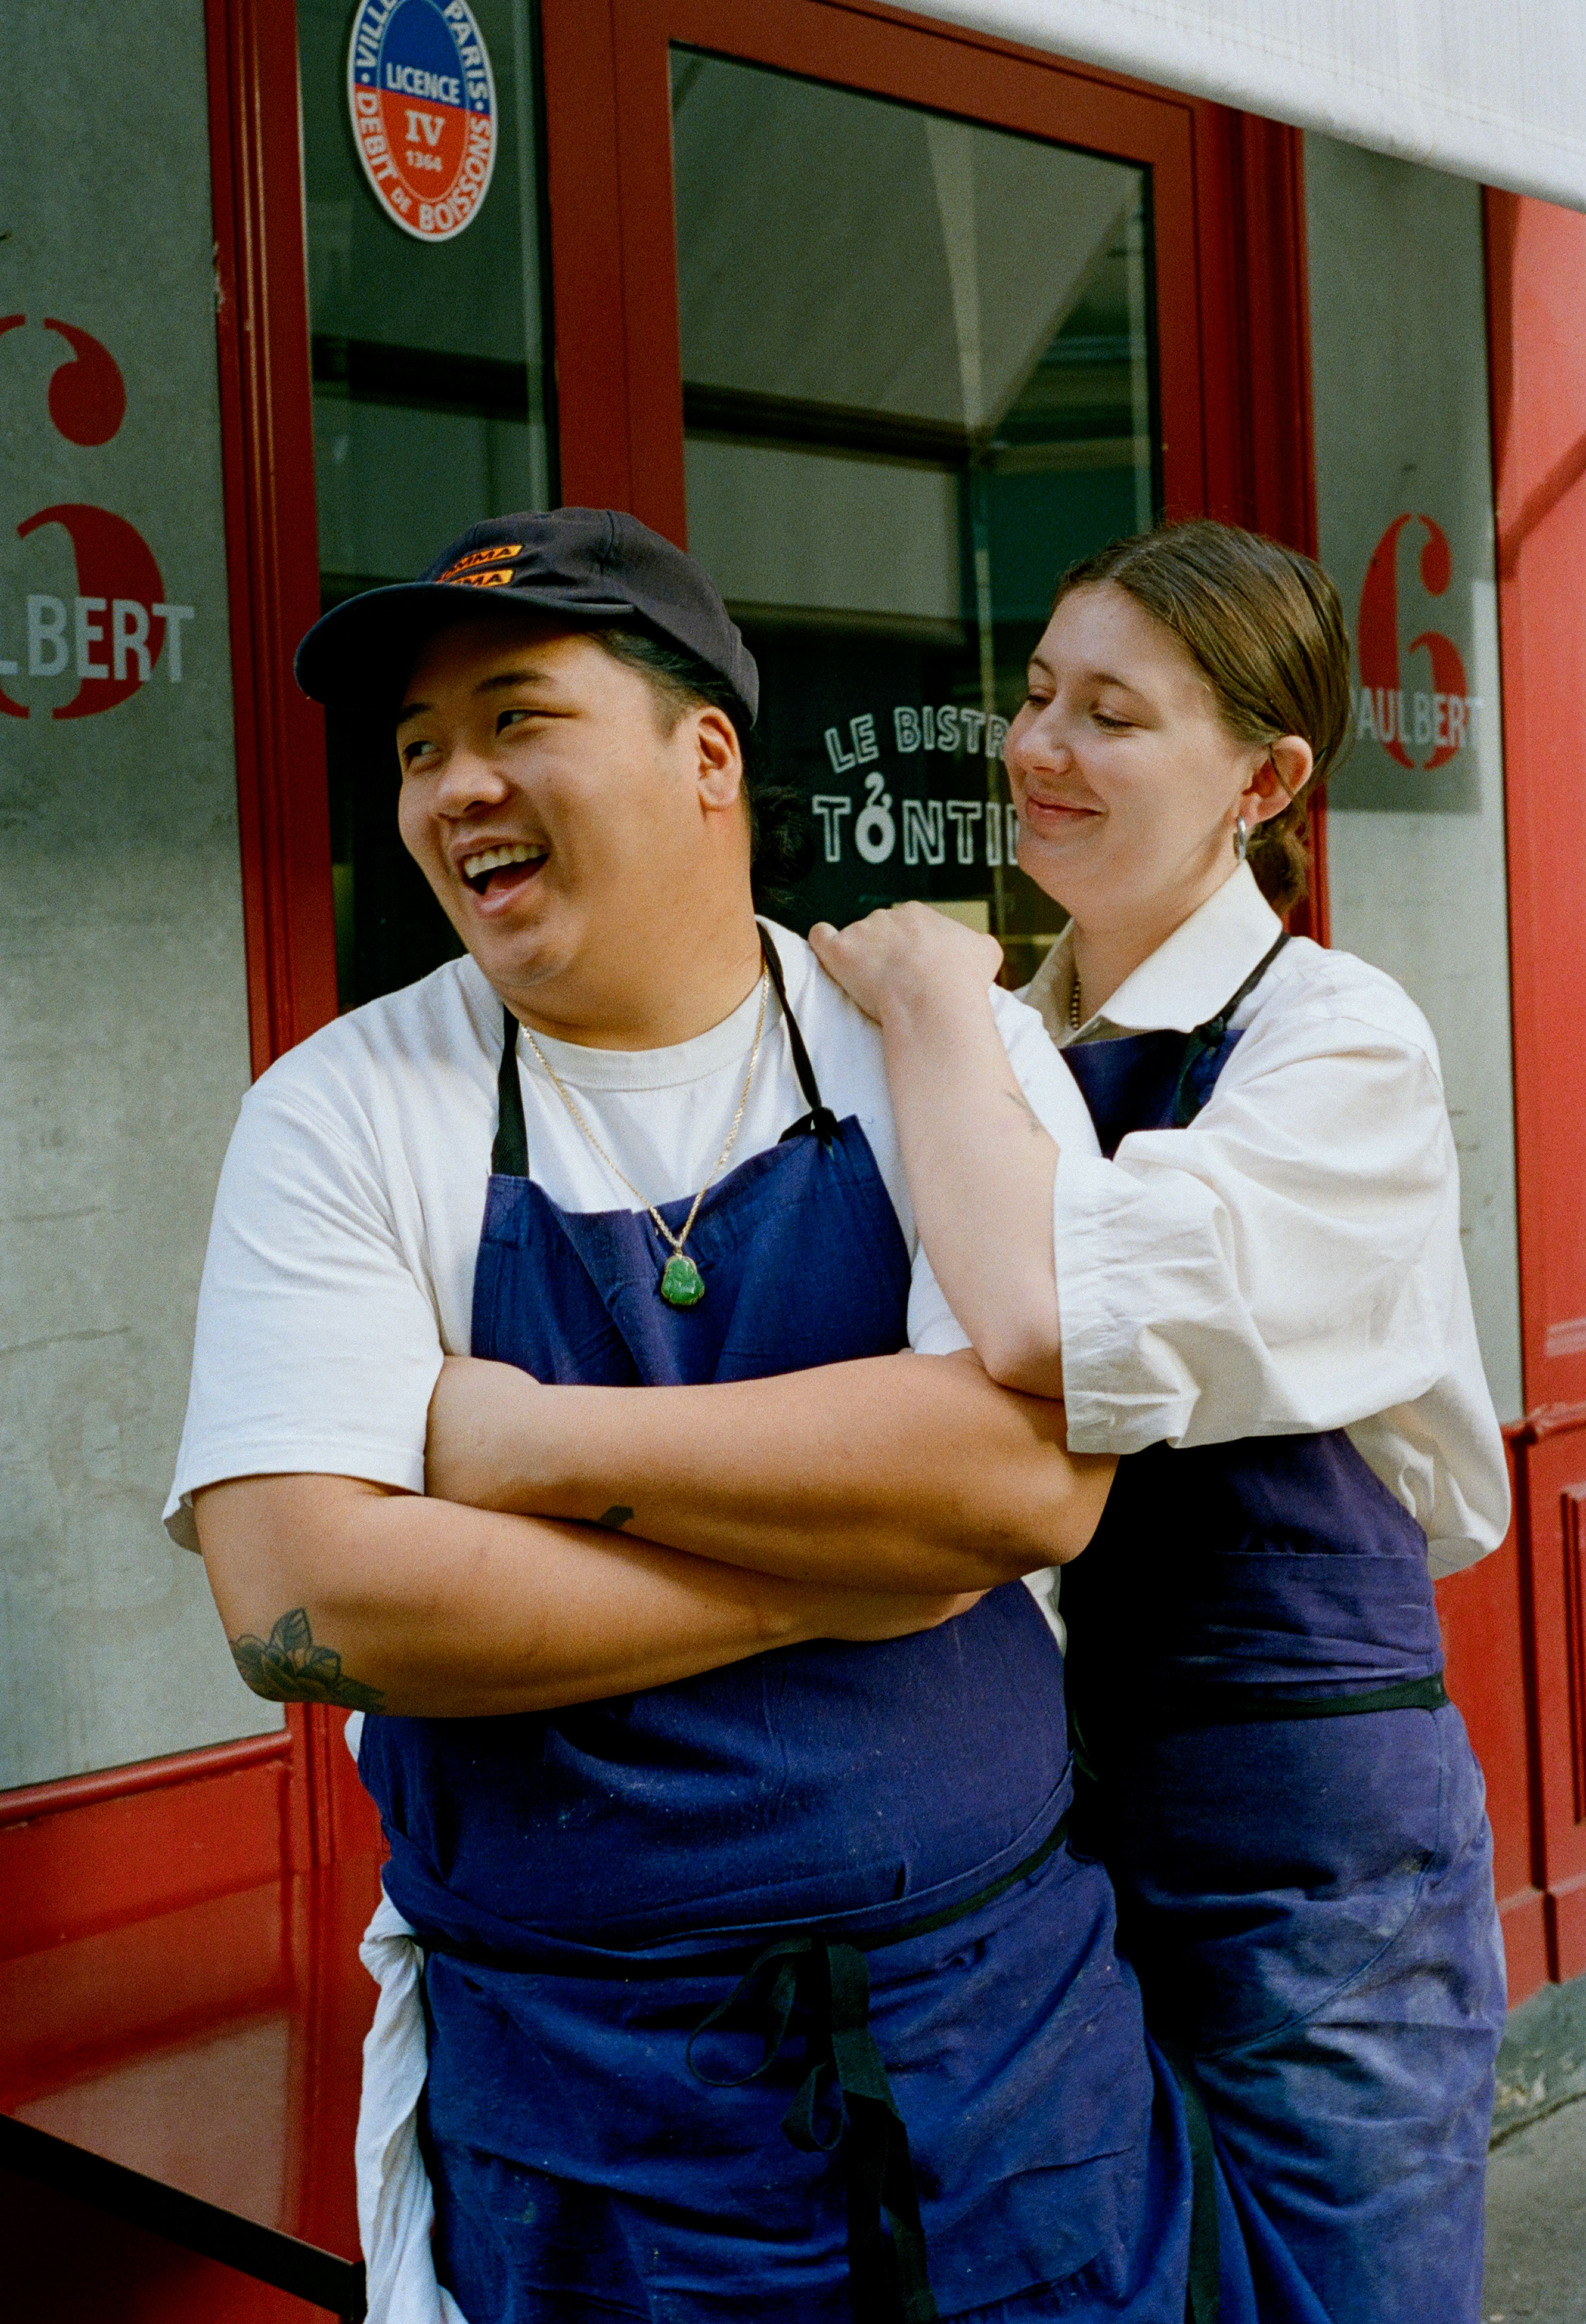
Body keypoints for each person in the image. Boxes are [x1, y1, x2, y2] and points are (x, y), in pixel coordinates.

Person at [169, 510, 1306, 2324]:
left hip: (1004, 2068)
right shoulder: (345, 1113)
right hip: (598, 2122)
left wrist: (529, 1449)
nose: (458, 786)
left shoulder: (926, 1044)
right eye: (417, 752)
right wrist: (851, 1574)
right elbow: (307, 1599)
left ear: (708, 755)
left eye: (518, 719)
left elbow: (1025, 1486)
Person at [805, 519, 1511, 2324]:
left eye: (1111, 715)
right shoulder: (1009, 1043)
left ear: (1262, 779)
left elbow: (1045, 1314)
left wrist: (932, 1002)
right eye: (1037, 693)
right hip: (1045, 1823)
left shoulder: (1337, 1042)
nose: (1039, 748)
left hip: (1312, 1845)